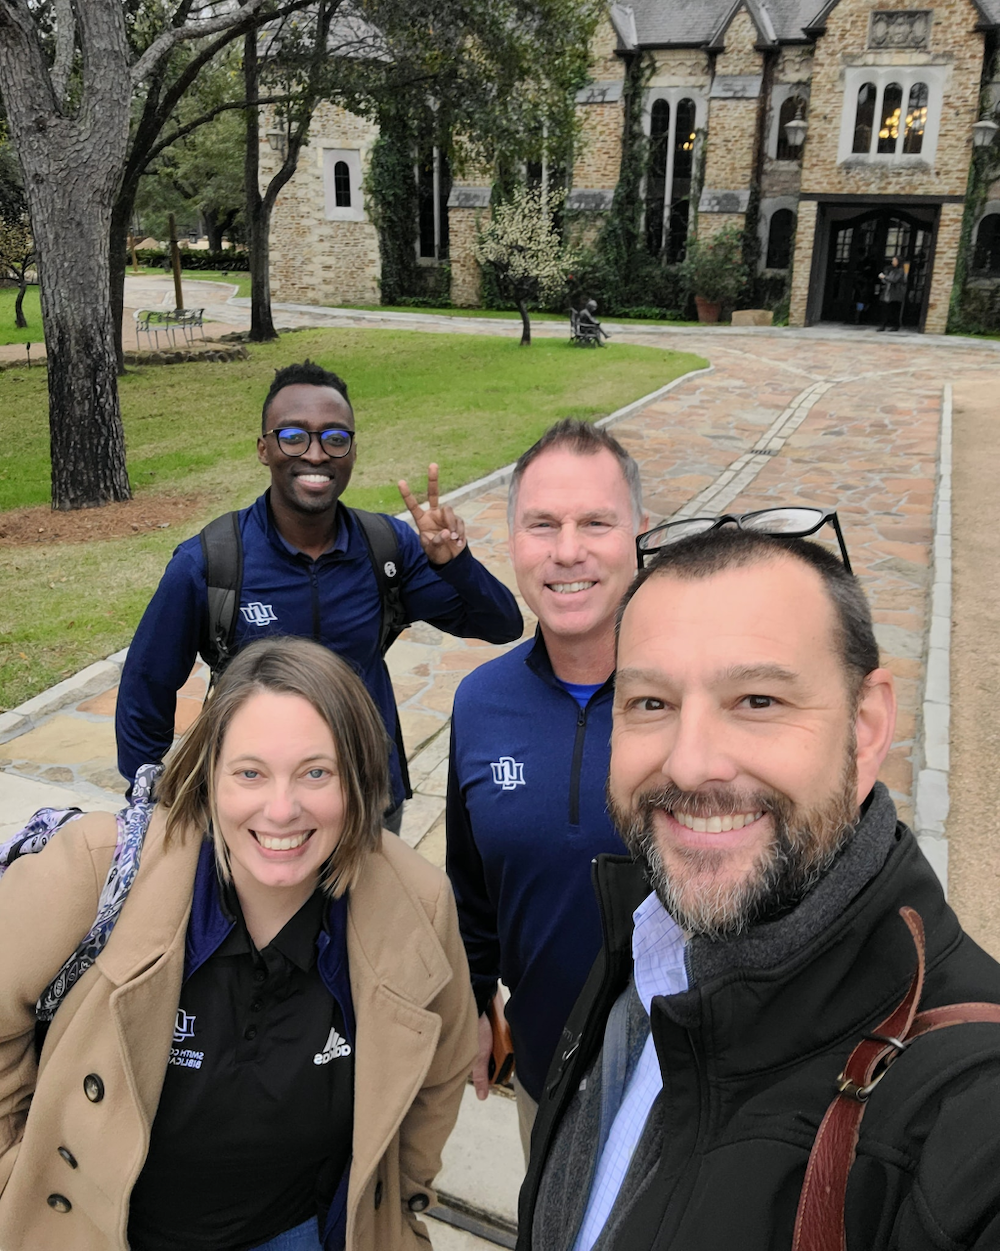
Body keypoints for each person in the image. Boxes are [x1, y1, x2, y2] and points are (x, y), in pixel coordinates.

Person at [518, 515, 1000, 1251]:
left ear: (867, 726)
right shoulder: (650, 931)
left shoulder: (963, 1101)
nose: (689, 763)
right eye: (651, 702)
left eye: (757, 701)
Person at [0, 637, 478, 1251]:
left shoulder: (417, 905)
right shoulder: (91, 872)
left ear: (358, 781)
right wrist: (17, 1177)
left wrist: (402, 1207)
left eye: (315, 772)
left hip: (296, 1230)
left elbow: (440, 1072)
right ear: (209, 777)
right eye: (250, 773)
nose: (281, 810)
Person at [116, 360, 523, 829]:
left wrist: (457, 565)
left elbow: (501, 625)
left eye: (335, 438)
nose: (316, 454)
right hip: (258, 811)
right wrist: (144, 801)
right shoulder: (212, 562)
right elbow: (147, 684)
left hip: (367, 798)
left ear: (351, 451)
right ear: (264, 449)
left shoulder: (385, 549)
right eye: (293, 436)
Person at [447, 420, 646, 1157]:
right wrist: (472, 996)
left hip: (690, 1098)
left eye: (596, 522)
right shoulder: (480, 703)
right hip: (543, 1079)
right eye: (543, 524)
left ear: (637, 533)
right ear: (512, 542)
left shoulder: (698, 697)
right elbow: (470, 884)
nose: (568, 550)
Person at [877, 254, 906, 331]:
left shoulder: (900, 270)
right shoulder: (890, 269)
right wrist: (883, 279)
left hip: (896, 293)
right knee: (885, 309)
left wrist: (884, 277)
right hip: (888, 292)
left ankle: (896, 325)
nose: (893, 262)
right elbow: (887, 280)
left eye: (894, 260)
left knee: (895, 310)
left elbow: (894, 279)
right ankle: (883, 325)